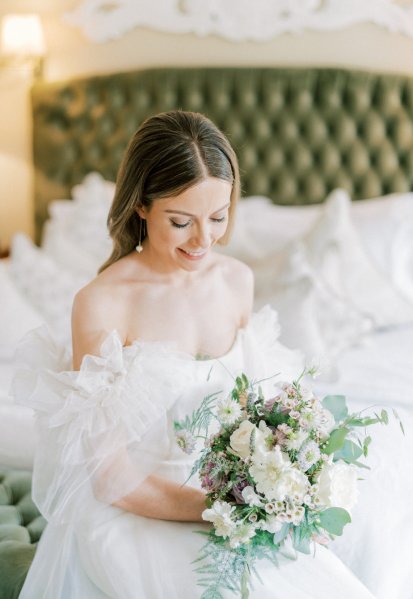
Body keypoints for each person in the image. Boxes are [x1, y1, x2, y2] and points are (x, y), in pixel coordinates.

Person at [13, 110, 374, 598]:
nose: (205, 240)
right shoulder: (102, 303)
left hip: (233, 502)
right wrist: (224, 509)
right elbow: (111, 478)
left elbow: (253, 414)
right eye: (181, 221)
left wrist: (280, 486)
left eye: (219, 217)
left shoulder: (236, 281)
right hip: (139, 509)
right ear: (141, 205)